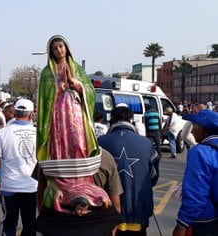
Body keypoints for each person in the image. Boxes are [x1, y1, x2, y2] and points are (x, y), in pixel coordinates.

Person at [36, 35, 118, 235]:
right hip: (57, 115)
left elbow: (89, 92)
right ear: (51, 52)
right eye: (54, 49)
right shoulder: (48, 73)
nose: (59, 51)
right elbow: (43, 98)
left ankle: (80, 179)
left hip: (75, 112)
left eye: (61, 47)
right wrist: (57, 89)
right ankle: (63, 177)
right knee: (60, 143)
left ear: (67, 47)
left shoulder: (77, 69)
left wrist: (77, 86)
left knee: (78, 141)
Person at [98, 106, 159, 236]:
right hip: (137, 211)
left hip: (106, 213)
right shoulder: (146, 143)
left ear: (111, 121)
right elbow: (153, 176)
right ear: (131, 120)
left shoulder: (100, 143)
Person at [0, 99, 37, 236]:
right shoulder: (38, 133)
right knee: (30, 225)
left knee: (9, 225)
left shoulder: (4, 133)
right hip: (32, 188)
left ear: (14, 112)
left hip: (9, 188)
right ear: (31, 114)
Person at [173, 109, 218, 236]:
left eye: (194, 127)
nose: (192, 131)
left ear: (201, 129)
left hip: (206, 219)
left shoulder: (200, 152)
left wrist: (182, 223)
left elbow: (196, 194)